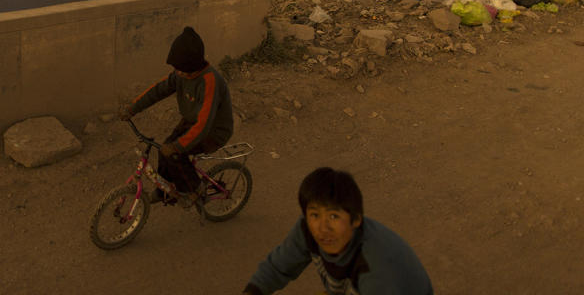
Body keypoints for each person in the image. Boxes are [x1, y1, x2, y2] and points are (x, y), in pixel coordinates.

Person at [243, 167, 433, 295]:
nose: (323, 228)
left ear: (356, 219)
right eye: (315, 215)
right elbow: (277, 268)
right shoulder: (306, 230)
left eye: (334, 216)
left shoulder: (375, 267)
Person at [120, 26, 233, 205]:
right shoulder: (181, 75)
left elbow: (203, 125)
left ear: (191, 66)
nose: (176, 72)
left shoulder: (210, 82)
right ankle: (164, 191)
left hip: (213, 131)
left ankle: (195, 191)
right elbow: (158, 91)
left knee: (174, 153)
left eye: (179, 68)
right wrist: (132, 108)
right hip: (191, 122)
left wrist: (178, 146)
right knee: (164, 148)